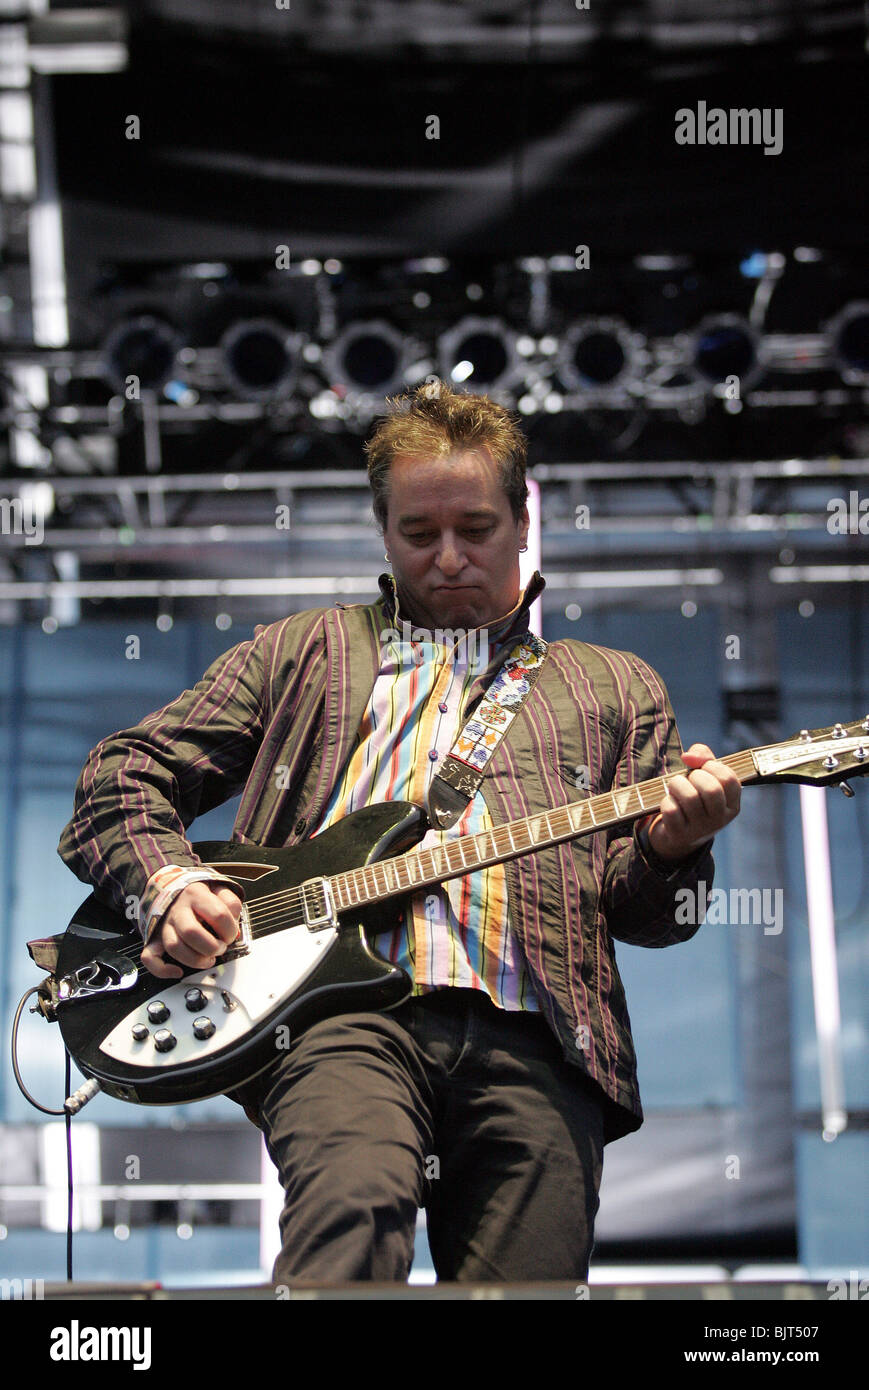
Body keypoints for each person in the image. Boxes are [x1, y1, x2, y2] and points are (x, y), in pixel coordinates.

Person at [58, 380, 741, 1285]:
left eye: (476, 529)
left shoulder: (616, 687)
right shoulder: (301, 652)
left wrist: (673, 846)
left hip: (543, 1037)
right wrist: (171, 886)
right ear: (383, 533)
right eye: (419, 535)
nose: (449, 558)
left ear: (523, 522)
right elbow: (119, 775)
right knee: (353, 1208)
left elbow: (655, 916)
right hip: (335, 1015)